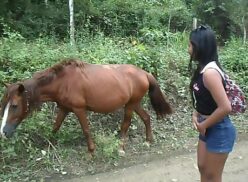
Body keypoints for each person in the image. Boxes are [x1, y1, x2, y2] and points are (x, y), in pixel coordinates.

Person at [187, 25, 236, 182]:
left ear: (199, 47)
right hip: (206, 125)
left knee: (213, 176)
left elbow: (225, 107)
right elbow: (202, 97)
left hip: (219, 128)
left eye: (190, 45)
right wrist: (196, 114)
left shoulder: (210, 73)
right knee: (202, 167)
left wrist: (204, 124)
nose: (188, 49)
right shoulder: (202, 69)